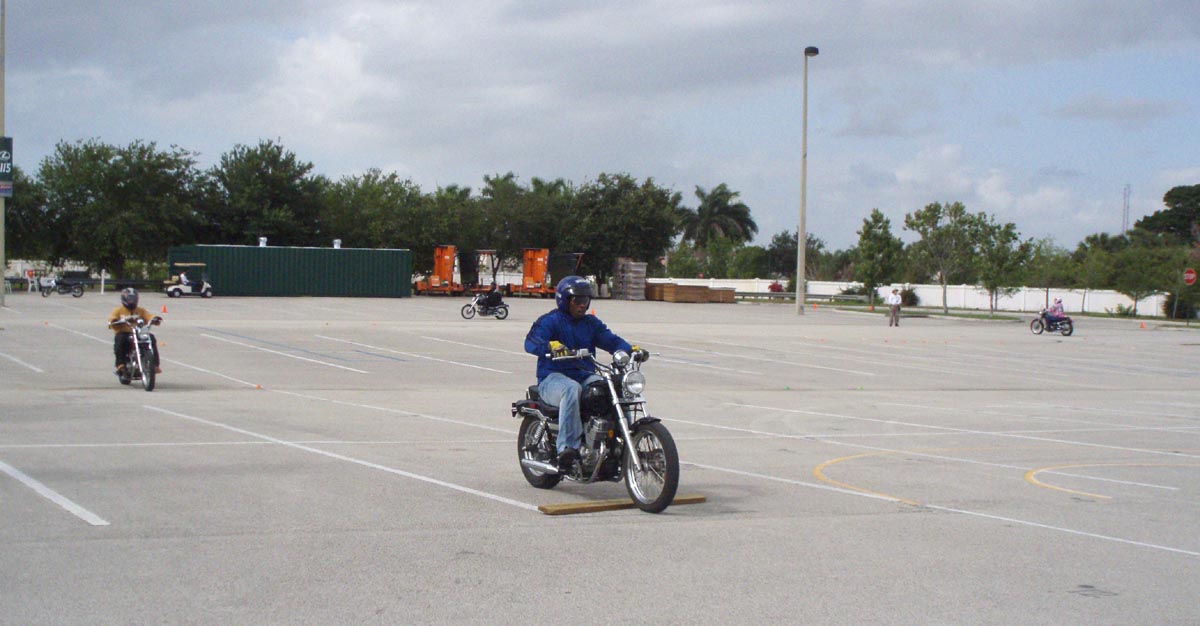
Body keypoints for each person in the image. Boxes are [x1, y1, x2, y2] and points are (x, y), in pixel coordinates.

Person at [524, 276, 634, 473]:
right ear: (565, 300)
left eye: (586, 300)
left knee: (611, 388)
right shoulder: (550, 321)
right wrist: (550, 345)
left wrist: (628, 349)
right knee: (571, 389)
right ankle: (567, 449)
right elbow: (531, 342)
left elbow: (611, 340)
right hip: (552, 377)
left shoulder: (590, 323)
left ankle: (625, 441)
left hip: (583, 375)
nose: (582, 305)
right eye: (578, 300)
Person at [107, 288, 162, 376]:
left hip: (138, 332)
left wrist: (154, 319)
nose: (132, 301)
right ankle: (121, 365)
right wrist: (114, 321)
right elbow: (112, 319)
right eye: (130, 299)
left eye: (134, 299)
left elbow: (148, 316)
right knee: (120, 340)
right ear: (124, 299)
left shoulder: (141, 310)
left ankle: (154, 365)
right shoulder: (118, 310)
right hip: (124, 332)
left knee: (151, 338)